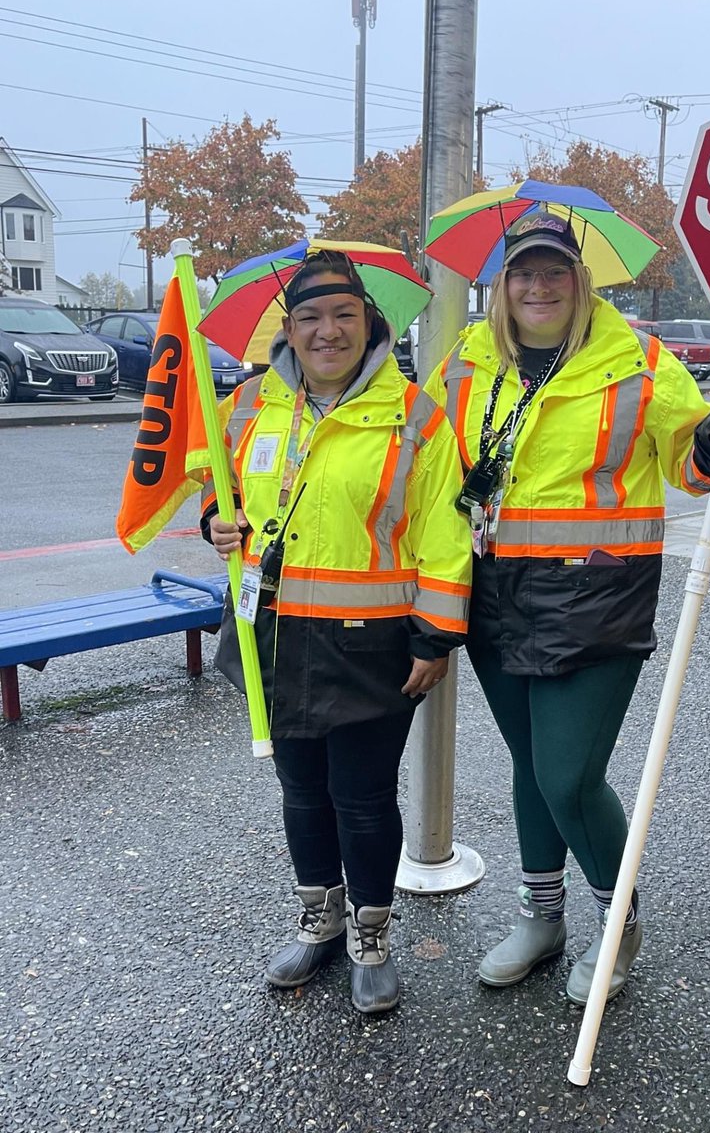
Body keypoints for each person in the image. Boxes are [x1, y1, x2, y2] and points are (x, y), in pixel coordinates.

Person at [425, 209, 710, 1005]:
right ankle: (542, 919)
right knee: (528, 768)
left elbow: (690, 461)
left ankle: (618, 925)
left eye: (555, 271)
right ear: (500, 286)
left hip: (597, 592)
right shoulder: (465, 366)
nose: (539, 286)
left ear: (581, 281)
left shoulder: (638, 361)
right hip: (494, 591)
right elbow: (430, 470)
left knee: (568, 774)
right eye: (523, 272)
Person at [202, 250, 471, 1014]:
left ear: (370, 323)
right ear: (288, 328)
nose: (328, 332)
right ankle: (320, 920)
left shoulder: (415, 416)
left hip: (372, 642)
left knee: (361, 798)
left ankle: (371, 936)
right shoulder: (251, 404)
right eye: (312, 318)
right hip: (277, 637)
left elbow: (444, 536)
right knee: (301, 794)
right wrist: (214, 524)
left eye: (344, 316)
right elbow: (224, 500)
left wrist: (435, 635)